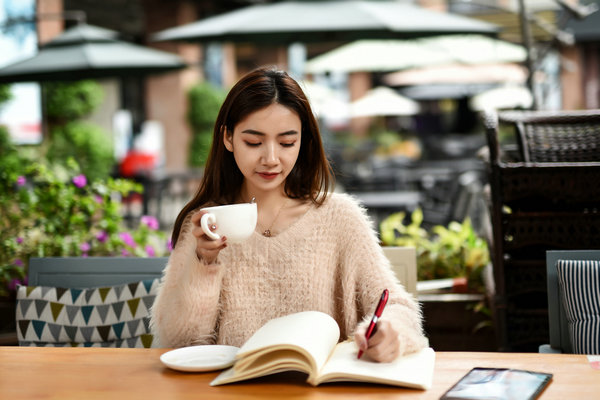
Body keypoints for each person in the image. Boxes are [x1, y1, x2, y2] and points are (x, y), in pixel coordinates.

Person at [150, 66, 427, 362]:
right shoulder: (206, 223)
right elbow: (178, 343)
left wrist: (389, 332)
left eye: (286, 143)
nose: (270, 159)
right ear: (228, 138)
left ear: (303, 141)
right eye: (253, 142)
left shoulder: (340, 218)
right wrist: (204, 263)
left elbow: (398, 307)